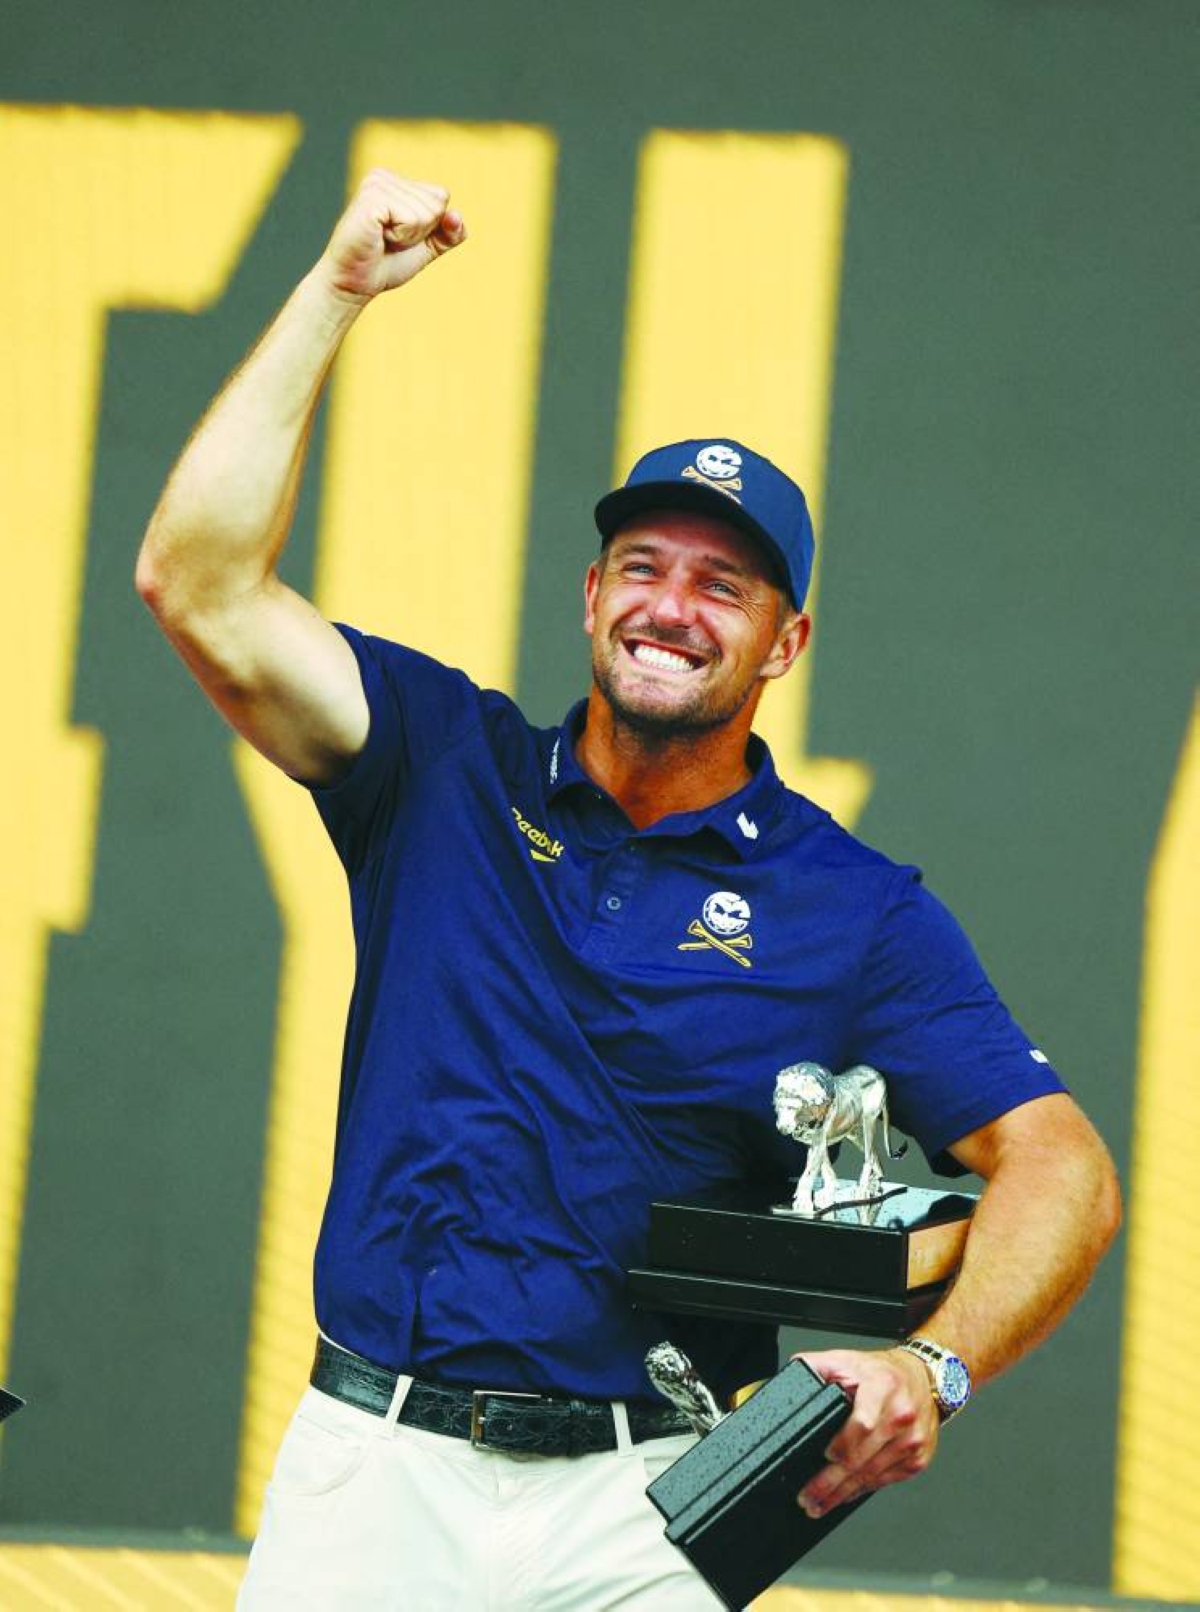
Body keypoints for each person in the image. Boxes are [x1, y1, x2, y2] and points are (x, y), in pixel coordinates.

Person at [136, 170, 1121, 1610]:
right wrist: (335, 289)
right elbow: (199, 582)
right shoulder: (441, 764)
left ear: (786, 643)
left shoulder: (852, 905)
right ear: (591, 597)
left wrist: (935, 1362)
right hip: (375, 1464)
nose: (674, 604)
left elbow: (1065, 1169)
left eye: (725, 587)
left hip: (646, 1503)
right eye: (644, 566)